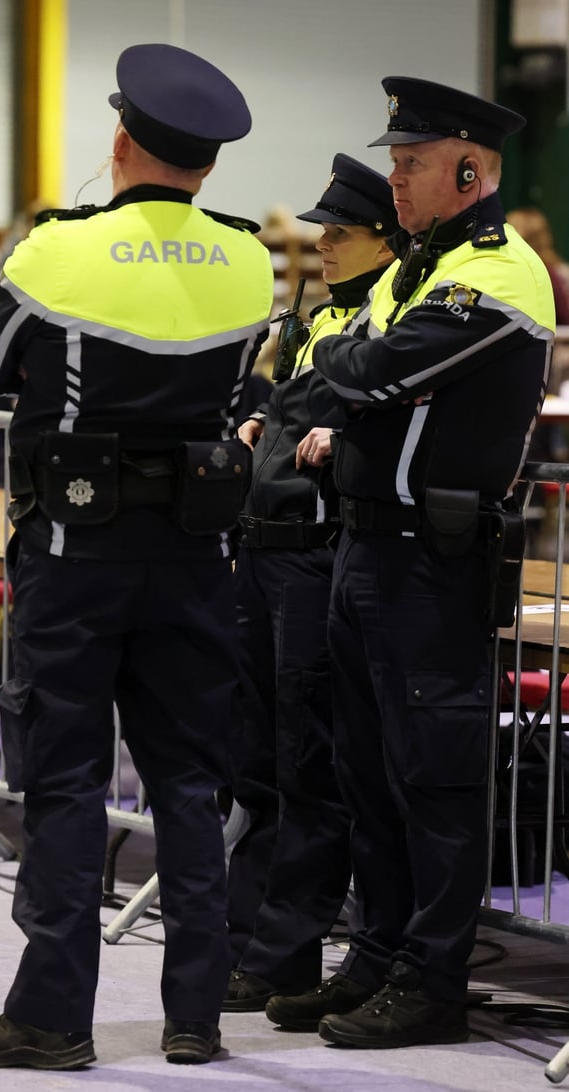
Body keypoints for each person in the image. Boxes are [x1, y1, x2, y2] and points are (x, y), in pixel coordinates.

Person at [0, 42, 273, 1069]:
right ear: (207, 167)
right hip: (193, 554)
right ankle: (195, 1019)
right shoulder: (249, 257)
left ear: (121, 142)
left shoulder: (55, 253)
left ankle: (50, 1017)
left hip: (73, 552)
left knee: (67, 782)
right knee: (188, 784)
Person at [264, 76, 555, 1048]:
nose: (395, 180)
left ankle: (432, 980)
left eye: (413, 163)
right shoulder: (410, 271)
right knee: (367, 770)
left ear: (471, 167)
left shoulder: (500, 270)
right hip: (363, 544)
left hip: (434, 559)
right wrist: (350, 372)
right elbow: (323, 370)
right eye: (392, 162)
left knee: (432, 777)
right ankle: (379, 957)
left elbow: (368, 369)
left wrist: (352, 372)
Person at [222, 156, 398, 1012]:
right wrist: (264, 411)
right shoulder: (318, 317)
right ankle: (245, 937)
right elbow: (277, 399)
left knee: (305, 763)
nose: (322, 244)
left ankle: (285, 950)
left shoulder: (390, 319)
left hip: (314, 554)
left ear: (384, 242)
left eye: (341, 233)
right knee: (254, 759)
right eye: (322, 231)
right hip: (261, 548)